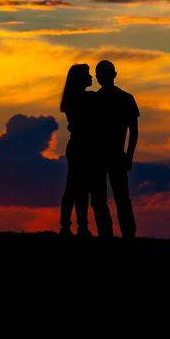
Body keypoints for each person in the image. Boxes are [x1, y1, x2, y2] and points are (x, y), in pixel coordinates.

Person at [58, 64, 109, 236]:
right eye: (87, 74)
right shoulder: (88, 98)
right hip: (84, 147)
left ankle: (72, 226)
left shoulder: (72, 99)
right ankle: (77, 226)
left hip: (78, 146)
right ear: (79, 78)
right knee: (78, 188)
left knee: (75, 188)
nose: (91, 76)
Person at [92, 60, 139, 238]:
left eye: (102, 73)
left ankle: (126, 233)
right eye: (99, 73)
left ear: (113, 75)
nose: (100, 76)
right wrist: (129, 156)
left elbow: (134, 132)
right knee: (103, 198)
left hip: (114, 155)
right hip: (101, 156)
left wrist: (129, 155)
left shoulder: (125, 98)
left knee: (119, 198)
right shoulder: (96, 100)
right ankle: (111, 233)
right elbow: (134, 132)